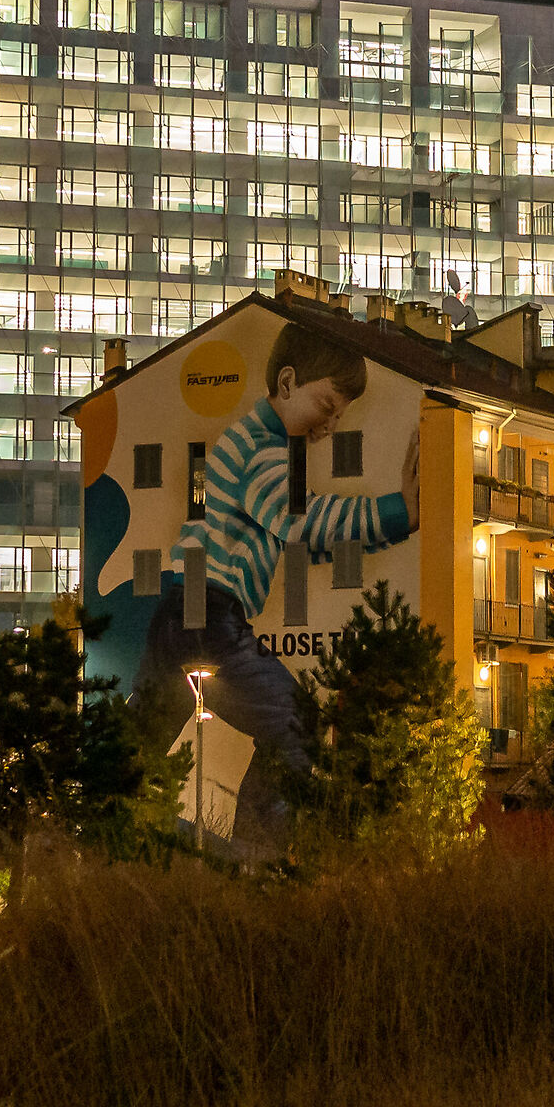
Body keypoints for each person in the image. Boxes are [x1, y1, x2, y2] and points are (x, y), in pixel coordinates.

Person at [135, 320, 419, 839]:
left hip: (179, 603)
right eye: (327, 406)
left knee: (136, 741)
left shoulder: (250, 443)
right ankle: (263, 855)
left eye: (339, 416)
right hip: (207, 611)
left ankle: (88, 839)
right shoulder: (265, 448)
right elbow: (305, 524)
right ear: (287, 383)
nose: (328, 425)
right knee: (296, 727)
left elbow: (296, 541)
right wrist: (399, 513)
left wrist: (386, 532)